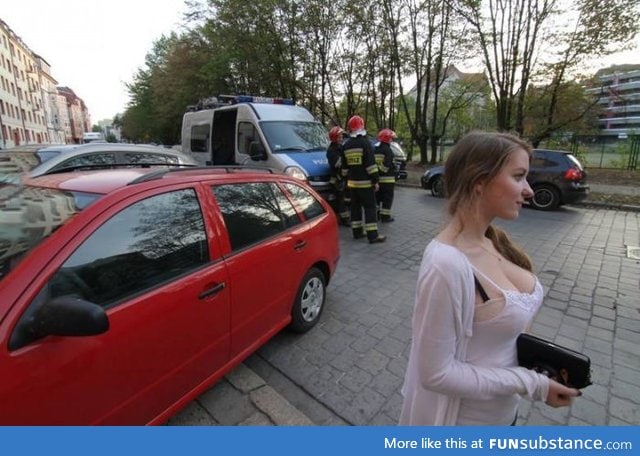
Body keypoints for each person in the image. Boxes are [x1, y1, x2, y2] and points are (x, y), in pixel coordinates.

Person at [399, 131, 579, 425]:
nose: (529, 191)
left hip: (504, 416)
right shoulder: (446, 264)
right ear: (478, 181)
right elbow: (435, 374)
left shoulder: (495, 241)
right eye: (519, 176)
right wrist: (533, 384)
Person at [340, 115, 386, 244]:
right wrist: (375, 181)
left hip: (352, 185)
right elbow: (371, 166)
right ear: (362, 127)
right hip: (366, 185)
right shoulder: (365, 143)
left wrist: (346, 181)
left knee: (355, 208)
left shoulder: (346, 145)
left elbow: (344, 169)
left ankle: (357, 232)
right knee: (370, 208)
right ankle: (373, 236)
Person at [326, 126, 351, 226]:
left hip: (342, 178)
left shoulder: (340, 147)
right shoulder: (332, 150)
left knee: (345, 199)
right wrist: (345, 157)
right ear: (334, 138)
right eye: (339, 137)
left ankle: (345, 217)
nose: (341, 138)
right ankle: (345, 220)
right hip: (337, 179)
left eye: (341, 136)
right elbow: (337, 164)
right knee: (341, 200)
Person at [374, 128, 397, 222]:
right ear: (387, 139)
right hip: (388, 180)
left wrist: (377, 174)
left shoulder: (375, 149)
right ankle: (385, 216)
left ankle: (378, 215)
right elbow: (387, 165)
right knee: (387, 199)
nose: (392, 140)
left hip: (378, 180)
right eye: (391, 138)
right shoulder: (388, 150)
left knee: (378, 198)